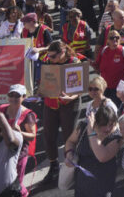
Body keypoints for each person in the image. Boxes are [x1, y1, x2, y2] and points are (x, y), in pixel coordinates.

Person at [39, 41, 82, 185]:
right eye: (49, 55)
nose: (50, 58)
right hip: (50, 102)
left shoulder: (74, 62)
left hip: (69, 103)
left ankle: (72, 166)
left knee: (68, 136)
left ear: (63, 52)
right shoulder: (48, 60)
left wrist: (71, 97)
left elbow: (80, 88)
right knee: (48, 135)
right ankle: (54, 166)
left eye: (53, 56)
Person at [63, 103, 123, 197]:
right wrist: (69, 154)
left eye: (111, 124)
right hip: (81, 184)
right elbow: (70, 141)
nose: (108, 128)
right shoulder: (83, 127)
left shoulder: (116, 137)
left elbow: (102, 157)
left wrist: (91, 132)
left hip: (103, 186)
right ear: (96, 122)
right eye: (104, 124)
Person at [0, 84, 37, 197]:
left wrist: (20, 132)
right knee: (3, 183)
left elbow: (32, 136)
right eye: (11, 95)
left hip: (19, 155)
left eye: (17, 96)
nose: (14, 98)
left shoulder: (27, 115)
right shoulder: (1, 109)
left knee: (16, 185)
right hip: (3, 152)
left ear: (24, 97)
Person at [96, 28, 124, 107]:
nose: (115, 39)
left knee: (116, 110)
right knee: (106, 110)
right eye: (112, 38)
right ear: (107, 40)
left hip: (119, 88)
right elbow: (97, 68)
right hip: (105, 87)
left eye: (117, 37)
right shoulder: (103, 51)